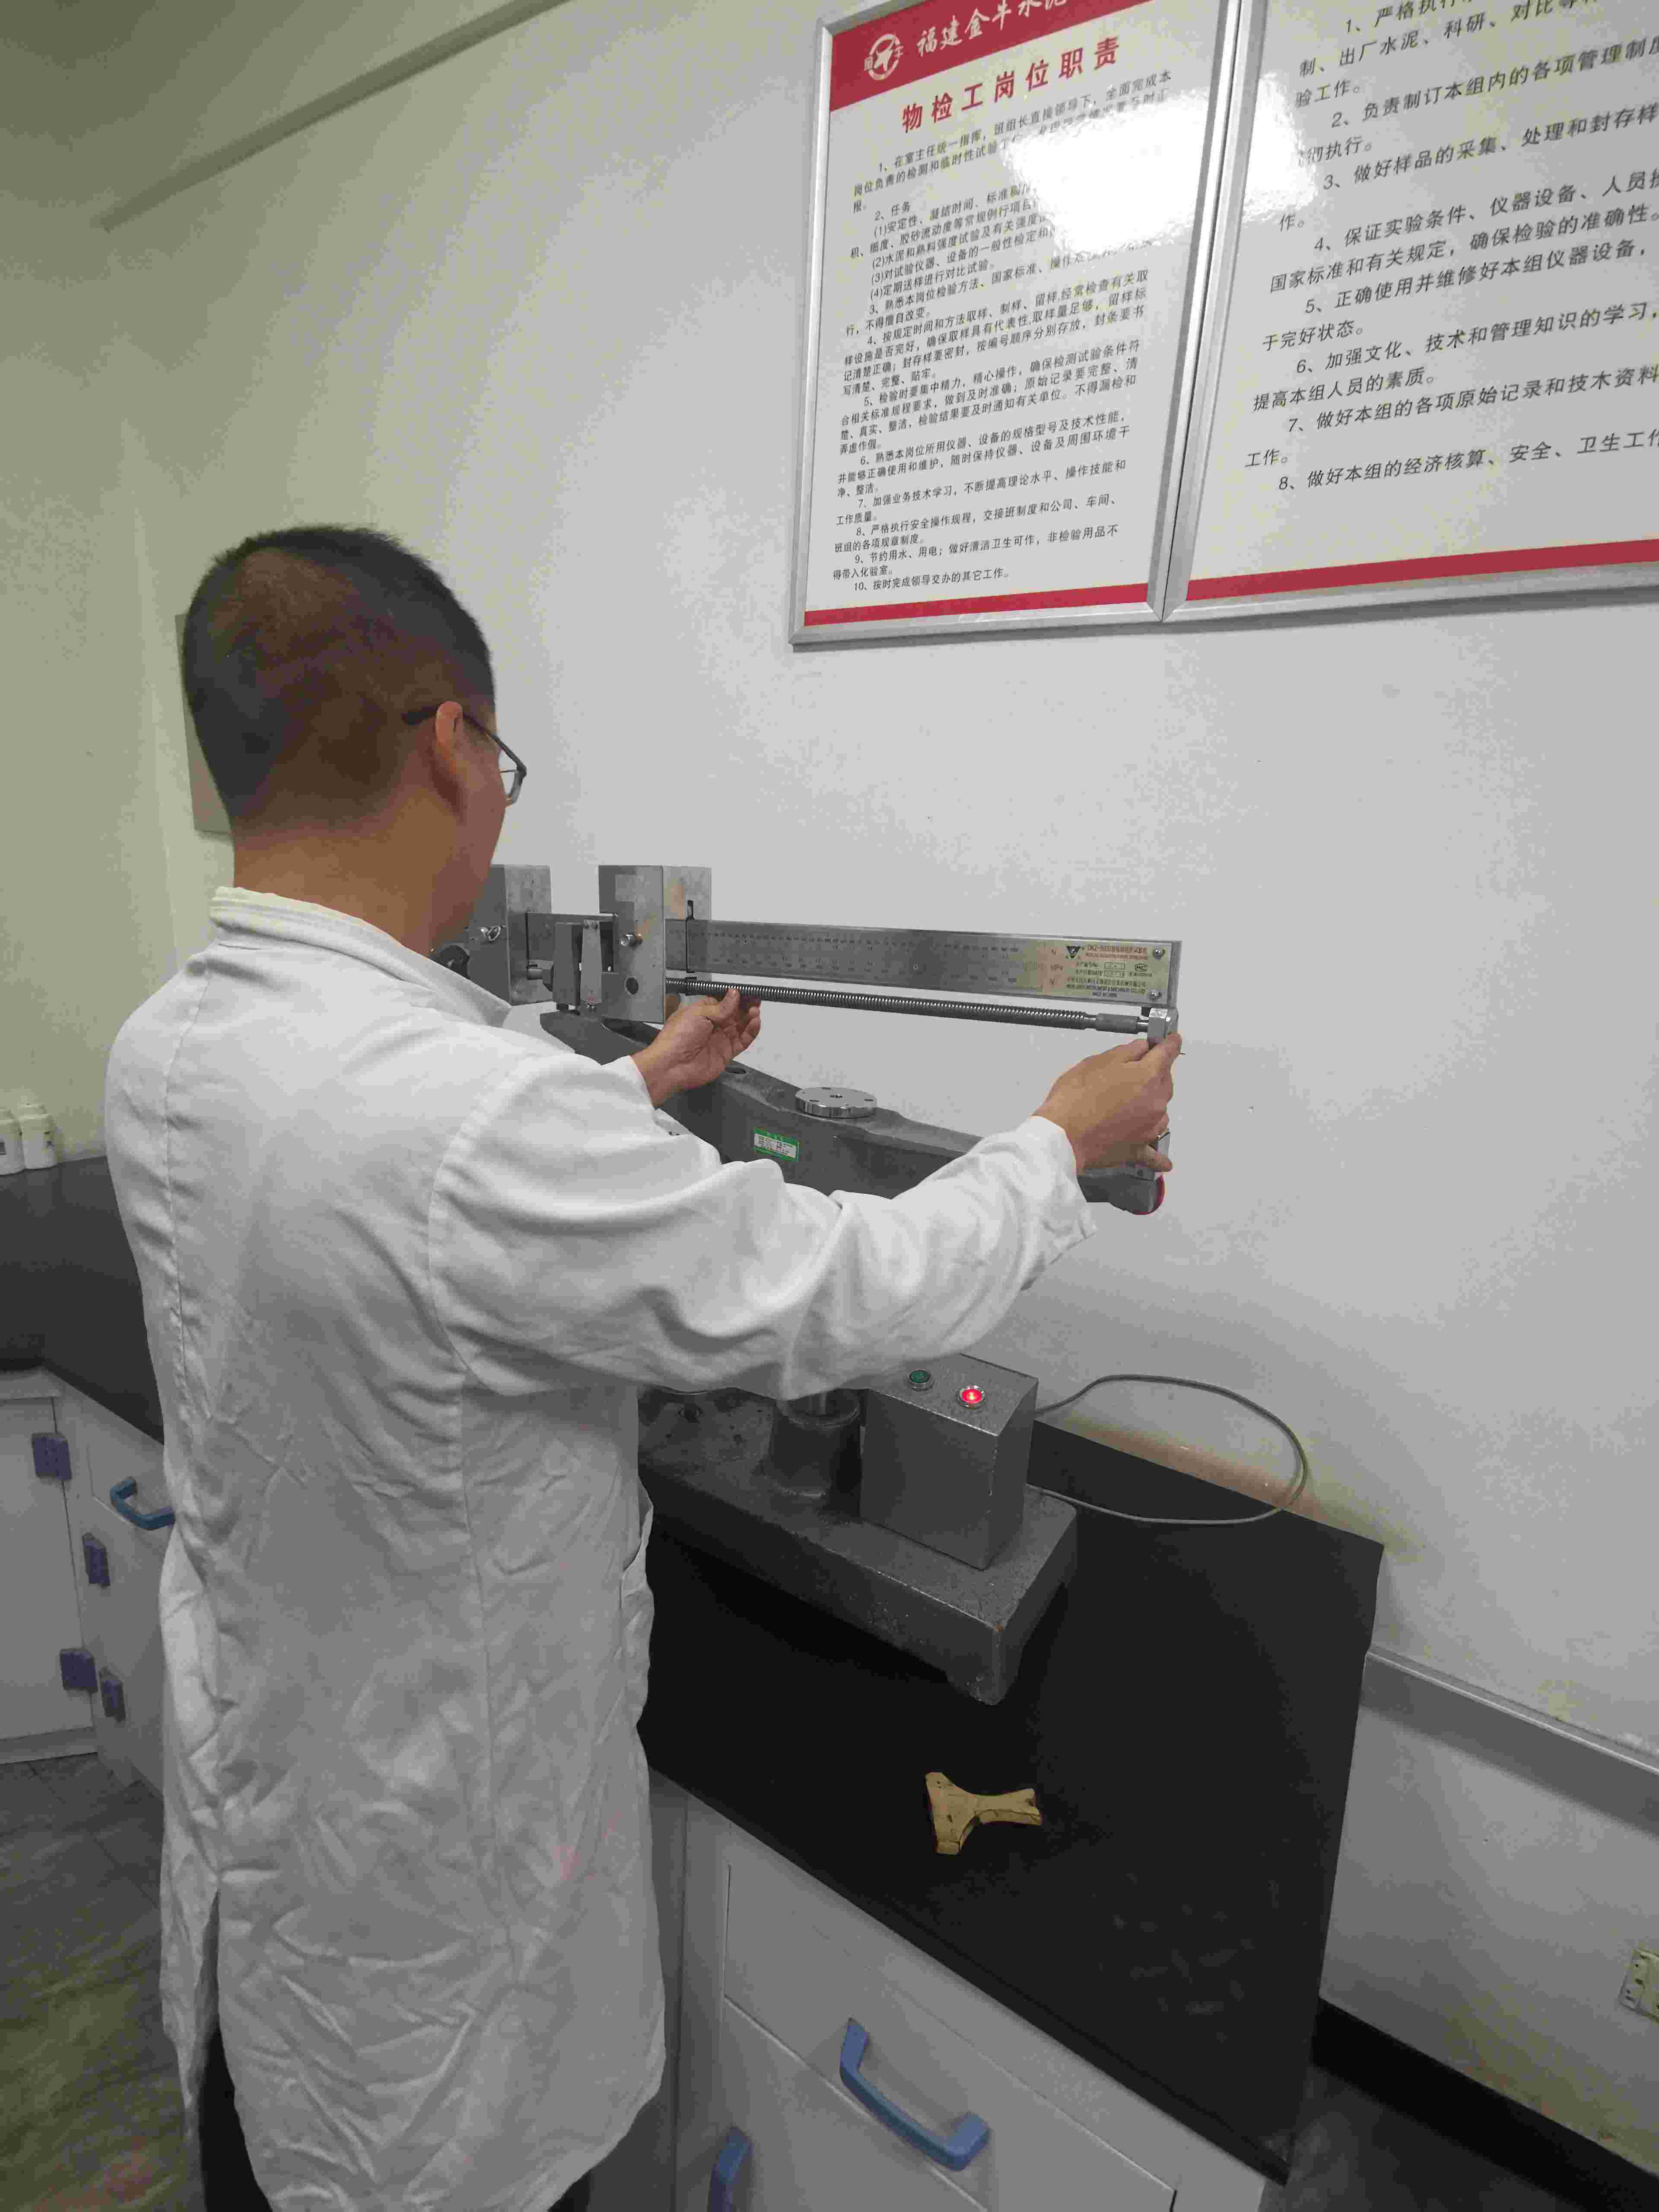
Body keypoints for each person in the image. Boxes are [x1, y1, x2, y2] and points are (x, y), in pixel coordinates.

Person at [104, 525, 1180, 2212]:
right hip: (446, 1909)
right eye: (501, 764)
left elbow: (394, 1198)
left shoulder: (170, 1043)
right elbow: (833, 1286)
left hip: (283, 1820)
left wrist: (635, 1088)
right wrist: (1057, 1146)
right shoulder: (474, 1113)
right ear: (452, 744)